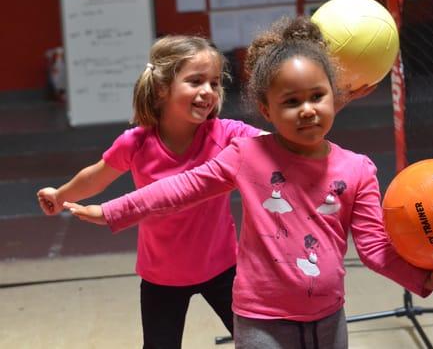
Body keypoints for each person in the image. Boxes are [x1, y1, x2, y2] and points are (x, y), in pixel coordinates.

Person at [64, 17, 433, 349]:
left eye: (318, 97)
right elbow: (178, 189)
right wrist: (110, 211)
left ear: (335, 97)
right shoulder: (248, 155)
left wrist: (423, 280)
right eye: (290, 102)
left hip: (330, 317)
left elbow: (373, 249)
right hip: (260, 320)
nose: (307, 110)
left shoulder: (358, 169)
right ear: (266, 109)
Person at [37, 35, 265, 348]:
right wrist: (60, 195)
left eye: (214, 83)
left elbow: (273, 145)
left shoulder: (227, 134)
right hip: (162, 275)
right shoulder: (137, 142)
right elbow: (96, 177)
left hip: (223, 266)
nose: (208, 92)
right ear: (161, 89)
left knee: (260, 342)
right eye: (195, 81)